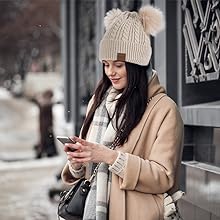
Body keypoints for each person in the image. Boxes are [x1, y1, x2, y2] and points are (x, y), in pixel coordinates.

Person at [61, 5, 184, 220]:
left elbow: (164, 177)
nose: (110, 73)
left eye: (118, 64)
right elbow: (88, 171)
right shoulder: (97, 102)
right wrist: (77, 162)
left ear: (137, 64)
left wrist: (110, 157)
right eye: (106, 65)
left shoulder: (164, 109)